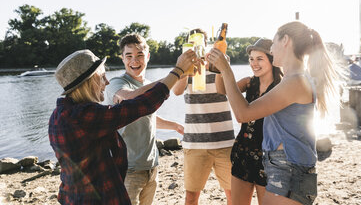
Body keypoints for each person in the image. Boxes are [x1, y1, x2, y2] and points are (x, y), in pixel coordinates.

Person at [207, 21, 340, 205]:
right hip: (282, 168)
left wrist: (226, 69)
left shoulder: (295, 81)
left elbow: (243, 114)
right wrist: (222, 70)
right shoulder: (293, 79)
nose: (272, 49)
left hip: (290, 170)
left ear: (285, 40)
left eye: (273, 43)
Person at [49, 48, 197, 204]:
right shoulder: (84, 116)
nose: (106, 82)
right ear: (88, 83)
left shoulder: (59, 114)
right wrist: (178, 71)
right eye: (102, 77)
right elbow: (142, 105)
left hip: (74, 195)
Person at [105, 33, 185, 205]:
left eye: (140, 55)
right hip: (128, 169)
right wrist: (173, 76)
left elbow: (147, 117)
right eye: (129, 56)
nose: (135, 61)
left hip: (151, 166)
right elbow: (129, 98)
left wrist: (175, 126)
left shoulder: (148, 84)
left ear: (147, 57)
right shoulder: (116, 83)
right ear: (122, 59)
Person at [215, 38, 282, 204]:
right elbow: (222, 89)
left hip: (268, 157)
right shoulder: (249, 82)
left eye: (260, 59)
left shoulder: (282, 87)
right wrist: (220, 69)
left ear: (272, 60)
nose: (254, 64)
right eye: (251, 59)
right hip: (242, 152)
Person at [172, 28, 235, 205]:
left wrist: (220, 66)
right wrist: (185, 69)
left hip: (225, 142)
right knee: (191, 197)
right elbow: (176, 91)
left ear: (206, 44)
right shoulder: (184, 67)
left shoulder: (220, 61)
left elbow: (227, 91)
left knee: (233, 194)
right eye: (192, 43)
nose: (196, 46)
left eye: (199, 43)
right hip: (195, 143)